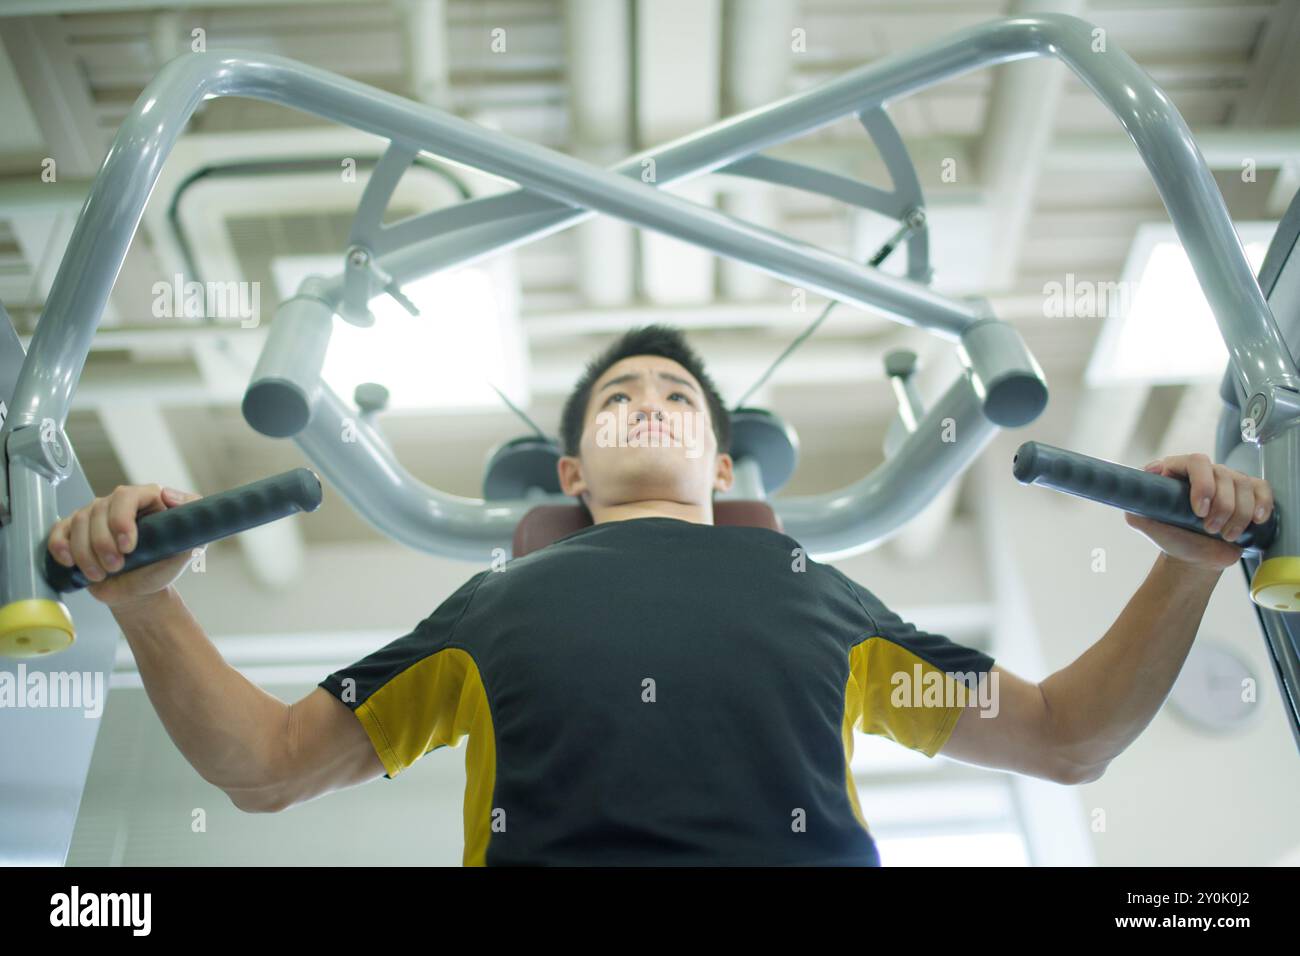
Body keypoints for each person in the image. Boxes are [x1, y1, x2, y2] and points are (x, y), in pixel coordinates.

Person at [50, 324, 1275, 866]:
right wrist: (147, 603)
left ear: (720, 465)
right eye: (620, 392)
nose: (653, 398)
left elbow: (1064, 736)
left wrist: (1182, 566)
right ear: (572, 471)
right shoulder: (490, 611)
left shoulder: (818, 599)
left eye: (680, 396)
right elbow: (265, 765)